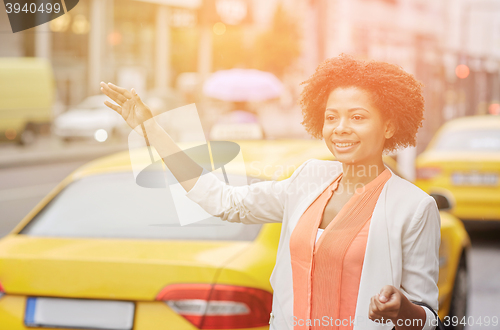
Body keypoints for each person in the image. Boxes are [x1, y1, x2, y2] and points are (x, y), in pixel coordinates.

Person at [100, 53, 440, 330]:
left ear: (390, 125)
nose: (340, 129)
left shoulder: (413, 207)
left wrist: (402, 310)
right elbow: (224, 201)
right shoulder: (310, 177)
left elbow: (427, 317)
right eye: (331, 117)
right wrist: (152, 130)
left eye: (357, 117)